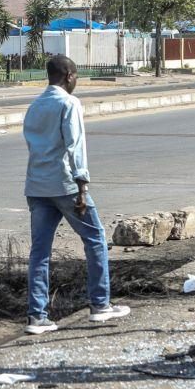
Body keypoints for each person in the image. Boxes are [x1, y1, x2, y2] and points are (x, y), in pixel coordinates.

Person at [22, 54, 129, 335]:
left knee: (39, 252)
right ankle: (100, 304)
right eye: (76, 77)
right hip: (66, 186)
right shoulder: (69, 103)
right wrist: (82, 187)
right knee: (95, 239)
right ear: (69, 76)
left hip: (36, 186)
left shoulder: (34, 106)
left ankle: (37, 317)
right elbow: (75, 146)